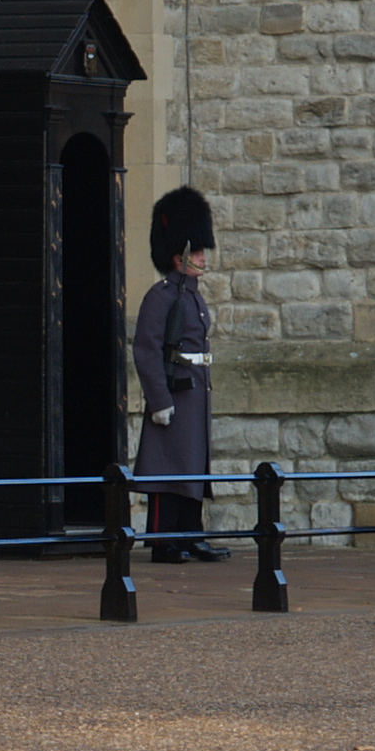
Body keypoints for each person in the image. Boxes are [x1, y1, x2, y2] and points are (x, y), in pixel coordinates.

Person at [133, 187, 226, 563]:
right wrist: (159, 401)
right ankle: (163, 540)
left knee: (192, 468)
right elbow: (146, 349)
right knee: (168, 470)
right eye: (197, 251)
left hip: (195, 392)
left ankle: (191, 534)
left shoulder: (192, 295)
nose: (203, 257)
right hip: (174, 393)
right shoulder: (161, 296)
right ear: (179, 255)